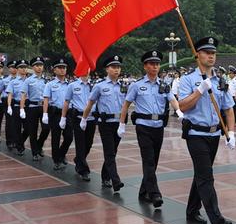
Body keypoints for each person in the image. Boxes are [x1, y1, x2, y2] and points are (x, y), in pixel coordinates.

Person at [178, 36, 235, 224]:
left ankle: (192, 209)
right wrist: (200, 90)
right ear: (197, 55)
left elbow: (228, 108)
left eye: (213, 53)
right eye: (206, 52)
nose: (211, 56)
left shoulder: (220, 81)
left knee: (201, 175)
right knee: (206, 176)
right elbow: (183, 106)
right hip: (195, 134)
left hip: (213, 136)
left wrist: (231, 132)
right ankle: (216, 219)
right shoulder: (187, 80)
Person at [120, 50, 182, 208]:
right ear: (145, 66)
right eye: (152, 64)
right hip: (143, 127)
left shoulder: (164, 85)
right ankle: (155, 194)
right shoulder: (137, 85)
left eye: (157, 64)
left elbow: (172, 99)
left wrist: (179, 111)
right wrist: (122, 124)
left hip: (158, 127)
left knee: (153, 162)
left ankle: (143, 191)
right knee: (148, 160)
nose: (155, 67)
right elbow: (126, 104)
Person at [81, 55, 126, 191]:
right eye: (113, 67)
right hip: (105, 123)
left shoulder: (124, 86)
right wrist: (84, 119)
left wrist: (123, 123)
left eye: (118, 67)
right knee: (109, 152)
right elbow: (90, 104)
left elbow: (126, 104)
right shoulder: (99, 86)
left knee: (114, 151)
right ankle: (115, 180)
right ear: (107, 69)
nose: (116, 70)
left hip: (118, 122)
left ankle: (105, 176)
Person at [61, 73, 95, 181]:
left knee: (88, 144)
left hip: (91, 118)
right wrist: (63, 117)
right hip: (78, 117)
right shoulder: (72, 85)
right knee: (80, 144)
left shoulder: (94, 85)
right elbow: (67, 101)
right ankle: (83, 170)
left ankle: (79, 160)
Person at [42, 58, 70, 170]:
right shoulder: (50, 84)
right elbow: (46, 100)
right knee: (56, 137)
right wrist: (45, 114)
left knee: (69, 137)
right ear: (54, 70)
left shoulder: (70, 85)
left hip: (68, 114)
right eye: (60, 68)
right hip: (55, 113)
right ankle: (56, 160)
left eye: (64, 67)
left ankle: (62, 154)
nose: (62, 70)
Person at [19, 57, 48, 161]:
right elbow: (23, 95)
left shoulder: (46, 80)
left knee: (46, 128)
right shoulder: (28, 80)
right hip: (32, 107)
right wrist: (22, 109)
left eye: (41, 65)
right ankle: (35, 152)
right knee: (33, 131)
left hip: (44, 107)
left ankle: (39, 145)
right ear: (32, 67)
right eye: (36, 65)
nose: (39, 67)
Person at [6, 60, 28, 153]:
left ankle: (20, 142)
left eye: (25, 67)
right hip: (16, 106)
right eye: (21, 67)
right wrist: (9, 106)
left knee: (28, 128)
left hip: (28, 106)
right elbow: (10, 94)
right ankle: (19, 147)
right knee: (16, 127)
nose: (23, 69)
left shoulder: (30, 81)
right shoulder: (13, 82)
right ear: (18, 69)